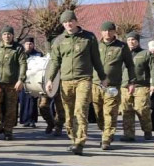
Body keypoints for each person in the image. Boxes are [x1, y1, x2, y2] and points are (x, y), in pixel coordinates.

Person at [44, 10, 107, 156]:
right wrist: (50, 80)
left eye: (70, 21)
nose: (68, 24)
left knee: (80, 110)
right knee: (69, 114)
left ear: (76, 21)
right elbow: (54, 62)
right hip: (65, 81)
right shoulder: (59, 40)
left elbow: (96, 59)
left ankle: (80, 142)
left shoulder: (88, 37)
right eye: (65, 22)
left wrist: (103, 77)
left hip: (83, 79)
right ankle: (74, 138)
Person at [92, 21, 136, 151]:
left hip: (113, 86)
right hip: (96, 84)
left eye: (110, 30)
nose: (107, 33)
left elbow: (130, 65)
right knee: (98, 112)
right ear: (101, 32)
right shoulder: (95, 45)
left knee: (110, 112)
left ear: (114, 32)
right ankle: (104, 130)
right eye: (105, 31)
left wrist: (131, 82)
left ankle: (106, 139)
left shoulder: (121, 47)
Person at [0, 26, 26, 141]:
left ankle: (8, 131)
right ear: (2, 36)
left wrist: (21, 79)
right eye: (5, 34)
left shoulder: (18, 48)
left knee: (11, 108)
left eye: (9, 34)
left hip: (12, 83)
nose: (7, 36)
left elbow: (23, 64)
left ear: (13, 35)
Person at [121, 32, 154, 142]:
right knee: (126, 111)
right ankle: (129, 134)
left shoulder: (146, 53)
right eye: (129, 40)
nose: (131, 42)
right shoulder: (122, 53)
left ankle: (147, 131)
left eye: (133, 40)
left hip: (141, 86)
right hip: (125, 86)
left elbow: (153, 69)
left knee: (142, 109)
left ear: (137, 41)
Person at [18, 37, 42, 128]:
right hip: (23, 80)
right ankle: (24, 120)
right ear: (24, 45)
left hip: (34, 80)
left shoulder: (38, 54)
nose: (29, 45)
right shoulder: (21, 54)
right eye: (27, 44)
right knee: (23, 100)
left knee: (32, 101)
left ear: (33, 45)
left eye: (30, 44)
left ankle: (32, 120)